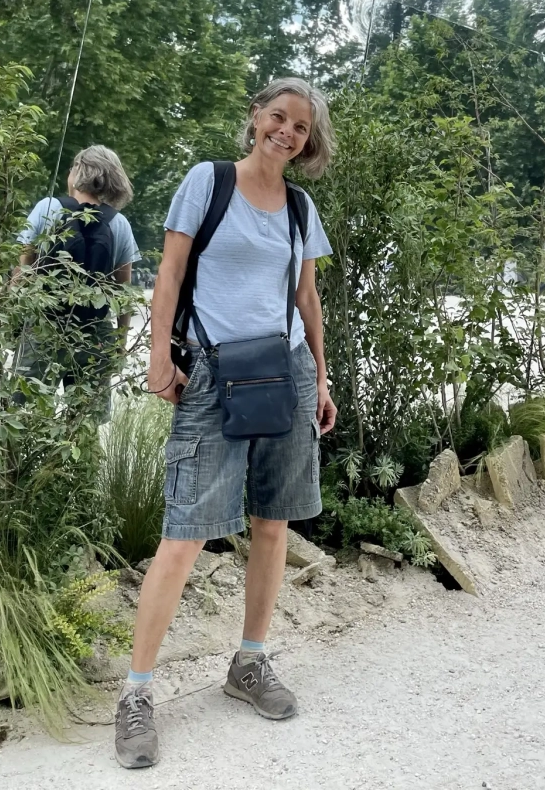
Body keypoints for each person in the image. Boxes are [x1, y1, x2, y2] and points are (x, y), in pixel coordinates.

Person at [115, 78, 336, 770]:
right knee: (184, 535)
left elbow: (306, 295)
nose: (286, 132)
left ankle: (250, 663)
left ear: (307, 141)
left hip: (286, 373)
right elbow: (170, 272)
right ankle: (136, 693)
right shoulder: (207, 183)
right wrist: (158, 354)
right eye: (278, 117)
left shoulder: (300, 206)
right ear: (255, 116)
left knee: (273, 524)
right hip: (212, 374)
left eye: (300, 127)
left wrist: (322, 376)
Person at [14, 145, 139, 419]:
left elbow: (22, 272)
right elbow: (123, 294)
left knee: (26, 417)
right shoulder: (119, 223)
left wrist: (13, 323)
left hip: (43, 329)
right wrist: (119, 344)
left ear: (80, 171)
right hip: (95, 333)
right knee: (85, 422)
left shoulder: (47, 207)